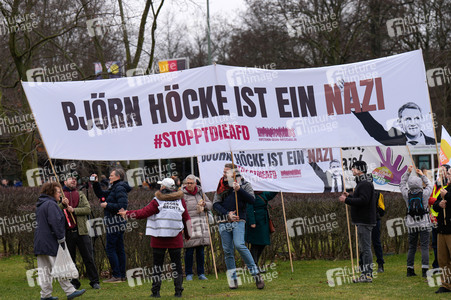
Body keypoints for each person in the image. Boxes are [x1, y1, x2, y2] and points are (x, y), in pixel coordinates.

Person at [118, 177, 191, 298]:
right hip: (175, 239)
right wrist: (188, 235)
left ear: (163, 188)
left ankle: (155, 292)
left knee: (157, 267)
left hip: (159, 239)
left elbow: (143, 213)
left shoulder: (157, 201)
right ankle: (178, 291)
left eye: (161, 185)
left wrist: (127, 213)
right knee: (177, 266)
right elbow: (186, 218)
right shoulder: (180, 201)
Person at [213, 163, 265, 290]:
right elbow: (215, 204)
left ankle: (256, 274)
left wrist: (239, 190)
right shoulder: (221, 186)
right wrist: (227, 214)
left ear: (234, 173)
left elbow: (252, 200)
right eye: (224, 171)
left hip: (239, 220)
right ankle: (233, 279)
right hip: (224, 221)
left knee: (239, 245)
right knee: (227, 251)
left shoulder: (245, 184)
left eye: (227, 172)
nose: (224, 174)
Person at [34, 181, 86, 300]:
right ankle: (70, 291)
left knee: (45, 271)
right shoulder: (51, 205)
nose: (60, 195)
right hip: (50, 242)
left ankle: (45, 295)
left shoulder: (41, 204)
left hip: (40, 243)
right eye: (58, 192)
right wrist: (61, 238)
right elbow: (56, 222)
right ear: (51, 192)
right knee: (60, 267)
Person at [339, 160, 376, 282]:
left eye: (354, 168)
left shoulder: (364, 183)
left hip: (364, 220)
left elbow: (363, 201)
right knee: (363, 249)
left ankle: (368, 275)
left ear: (360, 170)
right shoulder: (362, 183)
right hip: (362, 220)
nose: (352, 170)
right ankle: (364, 274)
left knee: (365, 249)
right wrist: (349, 196)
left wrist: (346, 201)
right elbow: (360, 198)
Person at [60, 176, 100, 290]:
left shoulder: (80, 194)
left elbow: (88, 209)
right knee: (70, 259)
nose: (73, 180)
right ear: (64, 182)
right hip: (67, 232)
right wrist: (62, 204)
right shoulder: (60, 196)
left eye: (74, 179)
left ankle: (94, 281)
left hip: (82, 231)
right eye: (70, 178)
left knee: (88, 257)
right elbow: (56, 210)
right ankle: (74, 282)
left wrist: (74, 210)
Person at [92, 169, 130, 283]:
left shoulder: (119, 188)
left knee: (111, 248)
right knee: (119, 248)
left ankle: (117, 275)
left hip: (115, 222)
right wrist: (95, 183)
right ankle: (121, 275)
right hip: (116, 222)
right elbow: (102, 194)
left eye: (111, 175)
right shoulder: (115, 187)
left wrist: (107, 205)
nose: (109, 177)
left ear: (118, 177)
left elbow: (122, 206)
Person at [399, 166, 433, 277]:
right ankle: (425, 270)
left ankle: (410, 269)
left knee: (412, 246)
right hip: (424, 222)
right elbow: (430, 185)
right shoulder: (424, 194)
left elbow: (402, 184)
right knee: (424, 246)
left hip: (411, 223)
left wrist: (407, 173)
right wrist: (422, 175)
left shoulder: (406, 194)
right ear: (419, 183)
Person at [353, 102, 435, 146]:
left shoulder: (434, 143)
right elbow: (375, 130)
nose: (413, 123)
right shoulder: (395, 139)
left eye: (416, 118)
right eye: (408, 119)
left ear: (421, 119)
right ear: (400, 122)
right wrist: (355, 104)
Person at [182, 174, 212, 281]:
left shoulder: (200, 193)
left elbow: (210, 204)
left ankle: (201, 273)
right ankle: (189, 273)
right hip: (189, 224)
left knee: (200, 250)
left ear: (195, 183)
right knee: (189, 251)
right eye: (187, 183)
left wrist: (205, 204)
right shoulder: (182, 194)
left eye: (191, 183)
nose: (189, 185)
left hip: (201, 223)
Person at [245, 191, 278, 271]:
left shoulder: (262, 193)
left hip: (263, 222)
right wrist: (252, 222)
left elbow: (270, 194)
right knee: (255, 245)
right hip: (255, 223)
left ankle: (254, 265)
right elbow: (249, 209)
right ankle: (253, 266)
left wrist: (277, 188)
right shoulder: (250, 195)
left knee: (262, 243)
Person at [432, 167, 451, 293]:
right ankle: (445, 284)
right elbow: (435, 203)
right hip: (442, 229)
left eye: (449, 174)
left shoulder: (447, 191)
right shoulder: (445, 188)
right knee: (442, 259)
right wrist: (439, 204)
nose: (447, 175)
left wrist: (448, 196)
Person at [429, 165, 450, 269]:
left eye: (443, 171)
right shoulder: (437, 184)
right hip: (435, 218)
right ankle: (437, 265)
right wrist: (435, 203)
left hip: (446, 221)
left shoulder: (446, 186)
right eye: (439, 171)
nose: (441, 173)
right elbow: (433, 200)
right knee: (436, 245)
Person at [372, 191, 385, 273]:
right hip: (374, 220)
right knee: (376, 243)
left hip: (373, 220)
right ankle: (380, 265)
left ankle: (362, 265)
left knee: (364, 244)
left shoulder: (378, 194)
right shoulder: (378, 193)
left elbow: (382, 209)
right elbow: (382, 210)